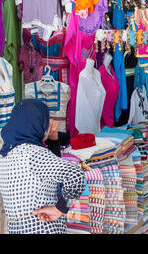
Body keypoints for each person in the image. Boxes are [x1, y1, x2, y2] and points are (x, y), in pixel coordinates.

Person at [0, 99, 85, 234]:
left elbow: (52, 176)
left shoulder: (5, 155)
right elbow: (76, 176)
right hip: (44, 227)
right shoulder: (33, 154)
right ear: (37, 125)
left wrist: (53, 139)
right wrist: (60, 208)